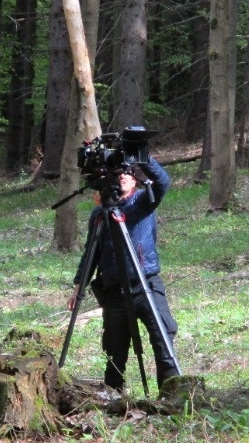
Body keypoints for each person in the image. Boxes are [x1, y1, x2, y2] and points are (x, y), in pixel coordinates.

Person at [68, 155, 180, 393]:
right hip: (114, 291)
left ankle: (171, 394)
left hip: (145, 284)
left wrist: (142, 156)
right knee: (114, 350)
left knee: (163, 339)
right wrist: (79, 284)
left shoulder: (142, 202)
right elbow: (92, 251)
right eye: (118, 174)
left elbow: (163, 182)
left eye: (128, 173)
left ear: (136, 180)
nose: (122, 177)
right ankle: (114, 396)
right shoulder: (101, 214)